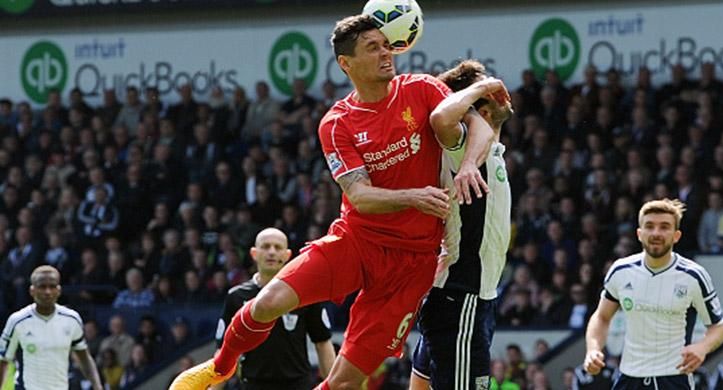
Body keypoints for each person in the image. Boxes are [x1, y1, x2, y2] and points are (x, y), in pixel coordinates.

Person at [171, 13, 500, 390]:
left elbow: (478, 123)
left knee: (343, 383)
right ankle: (220, 366)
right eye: (372, 48)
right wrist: (413, 197)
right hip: (356, 242)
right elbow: (359, 197)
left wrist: (469, 166)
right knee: (267, 301)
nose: (385, 54)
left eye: (386, 45)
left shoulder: (422, 90)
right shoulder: (337, 122)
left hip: (412, 265)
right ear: (346, 64)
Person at [409, 59, 512, 390]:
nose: (501, 92)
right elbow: (441, 116)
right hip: (462, 297)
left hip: (471, 299)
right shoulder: (461, 146)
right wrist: (481, 87)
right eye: (490, 89)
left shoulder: (488, 151)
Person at [583, 199, 723, 389]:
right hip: (629, 379)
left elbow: (719, 327)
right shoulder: (620, 271)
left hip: (673, 378)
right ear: (639, 233)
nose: (656, 233)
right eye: (649, 226)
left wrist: (702, 347)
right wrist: (593, 350)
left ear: (676, 236)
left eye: (664, 227)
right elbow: (602, 317)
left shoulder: (694, 276)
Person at [212, 228, 336, 390]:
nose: (271, 252)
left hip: (298, 385)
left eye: (278, 247)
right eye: (266, 246)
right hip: (253, 385)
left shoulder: (305, 294)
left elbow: (323, 343)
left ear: (287, 255)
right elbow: (224, 352)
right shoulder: (236, 297)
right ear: (254, 253)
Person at [0, 265, 103, 389]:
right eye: (42, 287)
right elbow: (4, 361)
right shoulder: (17, 321)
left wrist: (98, 387)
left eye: (52, 286)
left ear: (58, 290)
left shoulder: (72, 319)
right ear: (32, 290)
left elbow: (84, 358)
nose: (47, 292)